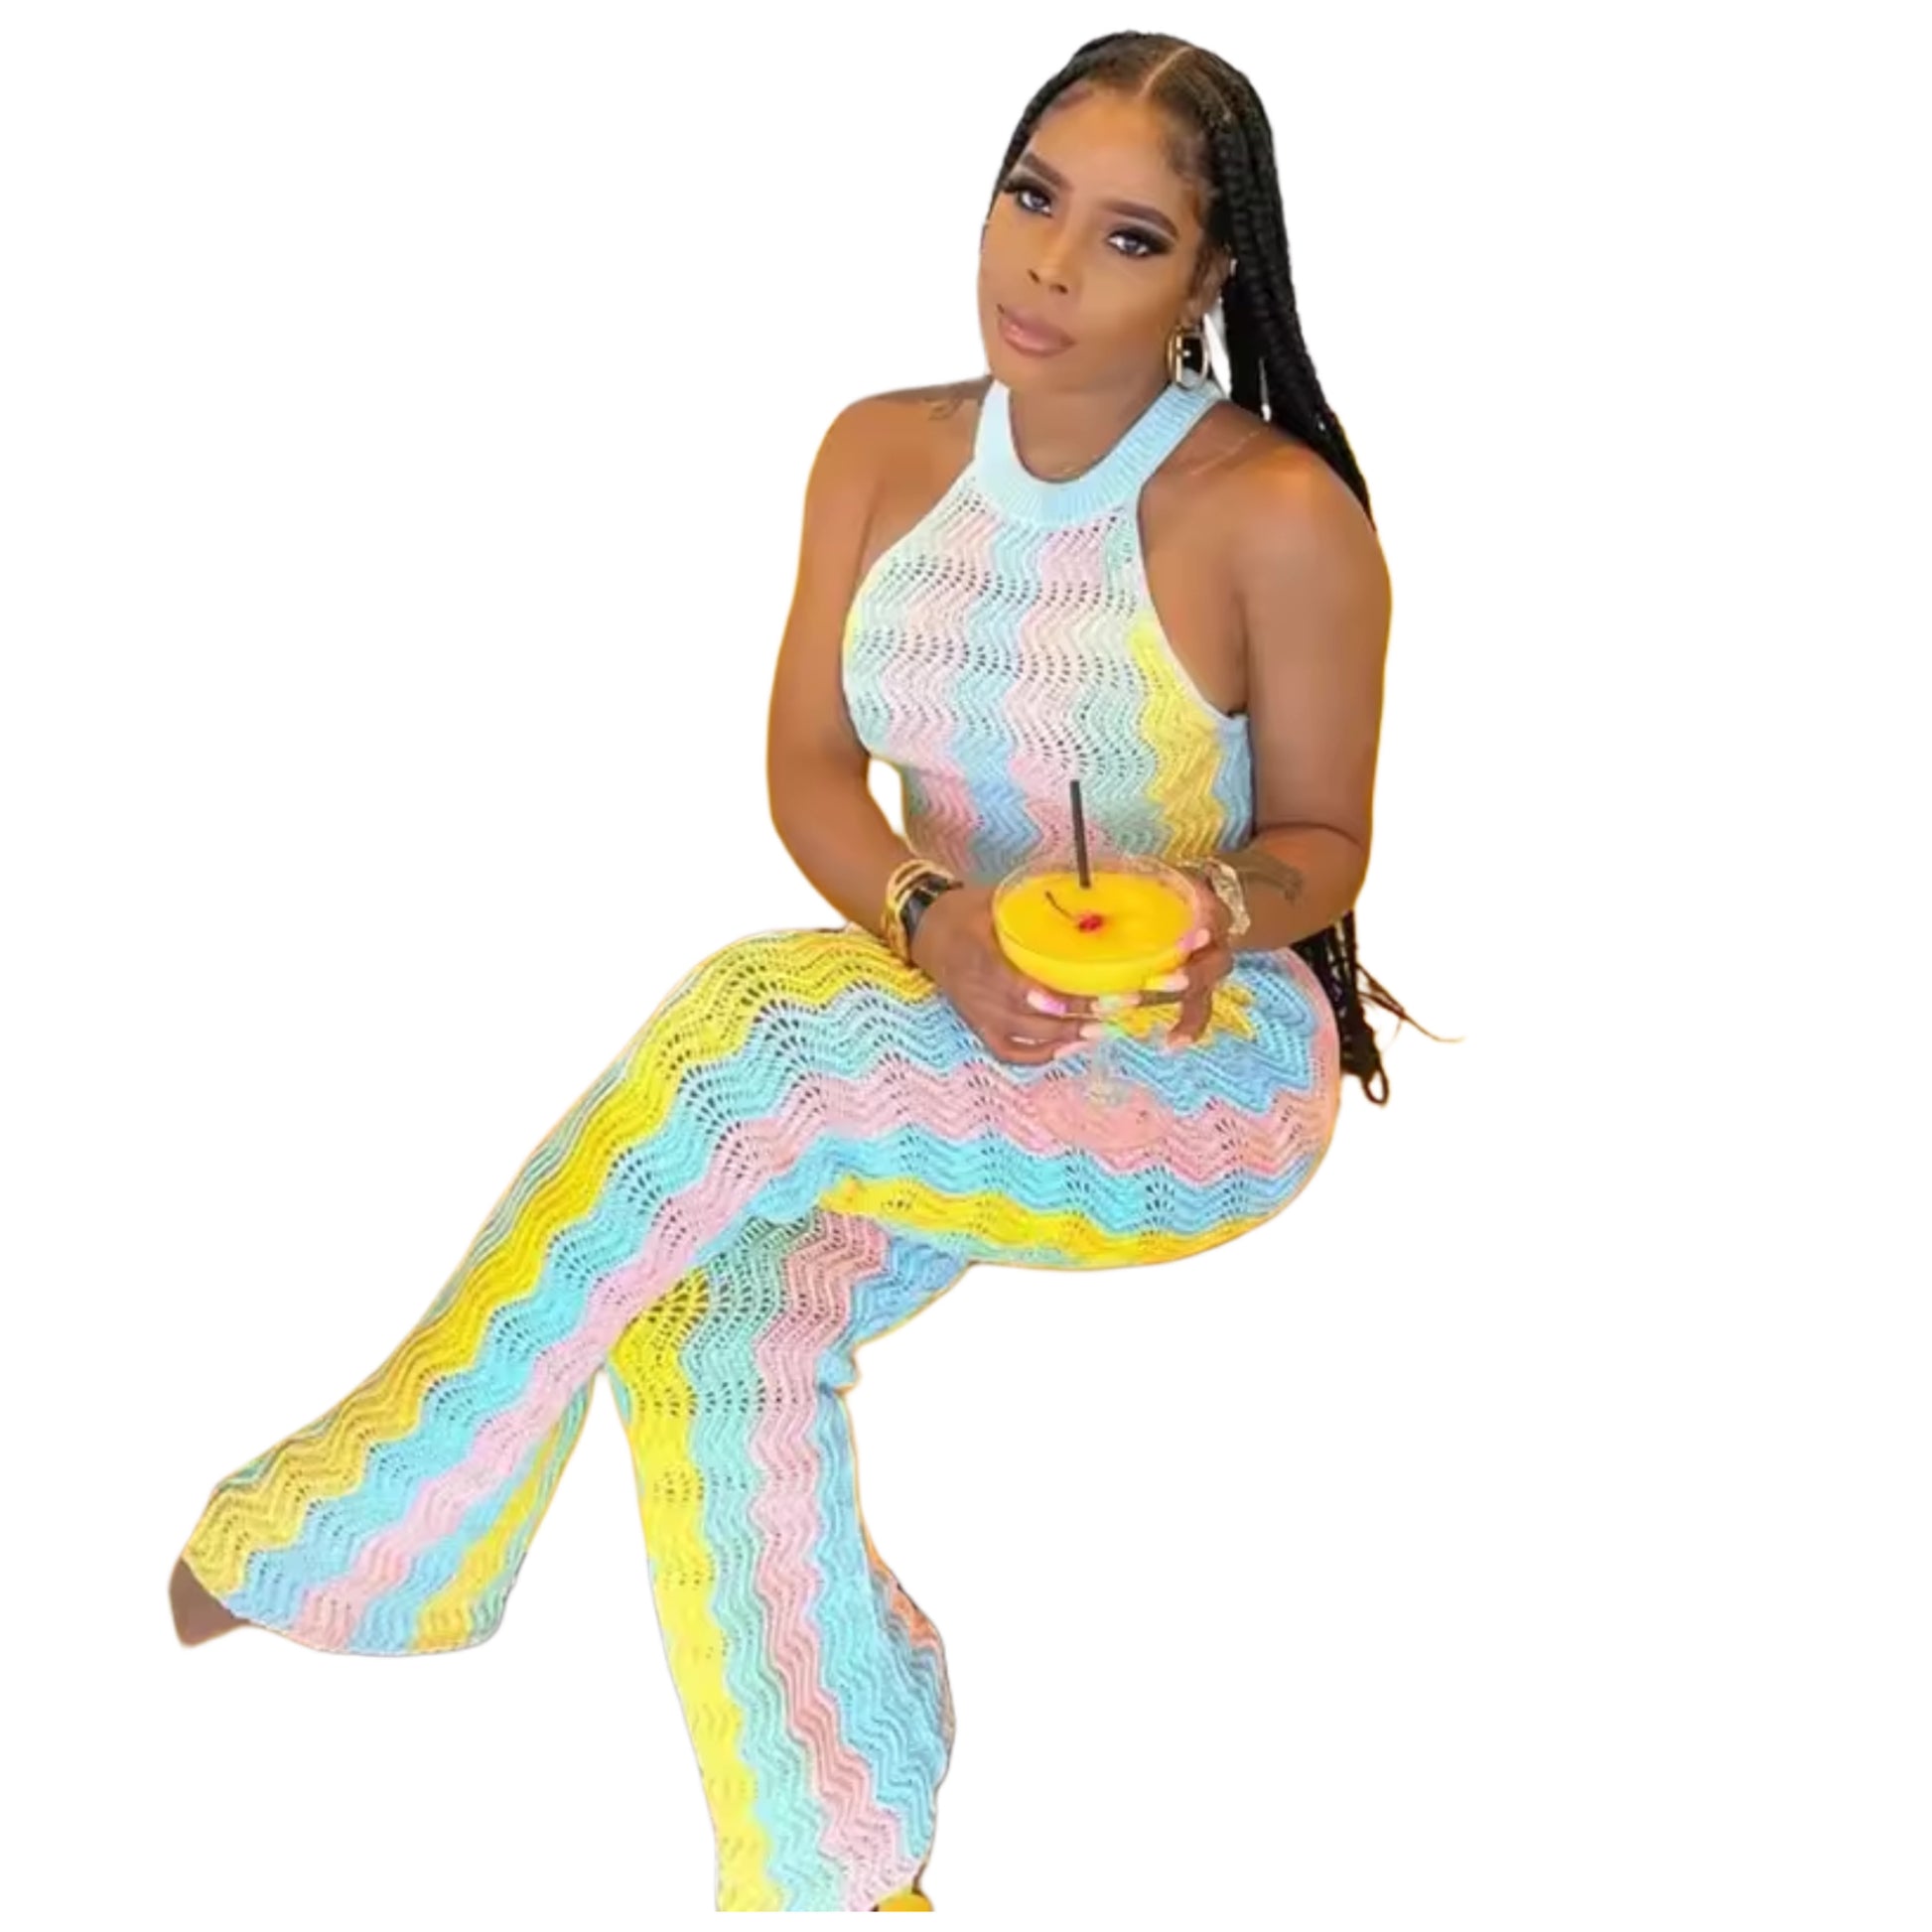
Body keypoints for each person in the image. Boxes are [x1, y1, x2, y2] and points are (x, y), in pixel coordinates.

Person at [168, 30, 1426, 1915]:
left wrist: (1208, 906)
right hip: (928, 1023)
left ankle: (380, 1505)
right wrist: (934, 925)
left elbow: (1322, 841)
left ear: (1210, 277)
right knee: (708, 1319)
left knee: (749, 1023)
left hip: (1195, 1066)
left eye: (1127, 236)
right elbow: (808, 773)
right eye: (1029, 198)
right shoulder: (878, 453)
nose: (1046, 265)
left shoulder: (1277, 515)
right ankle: (837, 1857)